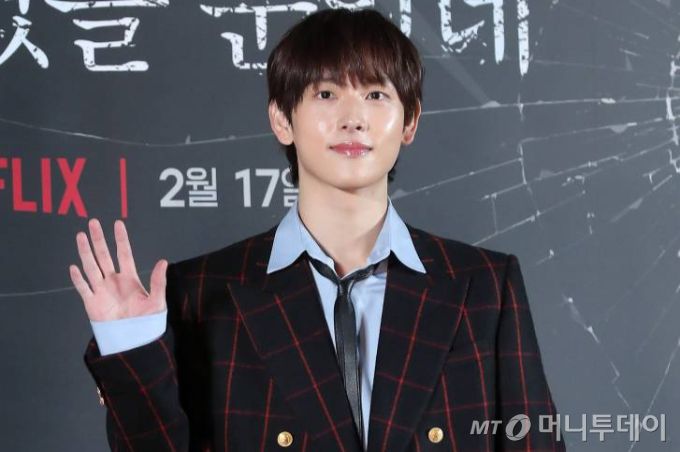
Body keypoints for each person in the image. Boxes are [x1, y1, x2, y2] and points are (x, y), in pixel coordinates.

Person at [70, 8, 565, 452]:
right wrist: (131, 346)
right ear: (282, 120)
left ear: (410, 121)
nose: (353, 119)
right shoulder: (202, 293)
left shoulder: (482, 286)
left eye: (376, 94)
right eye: (326, 94)